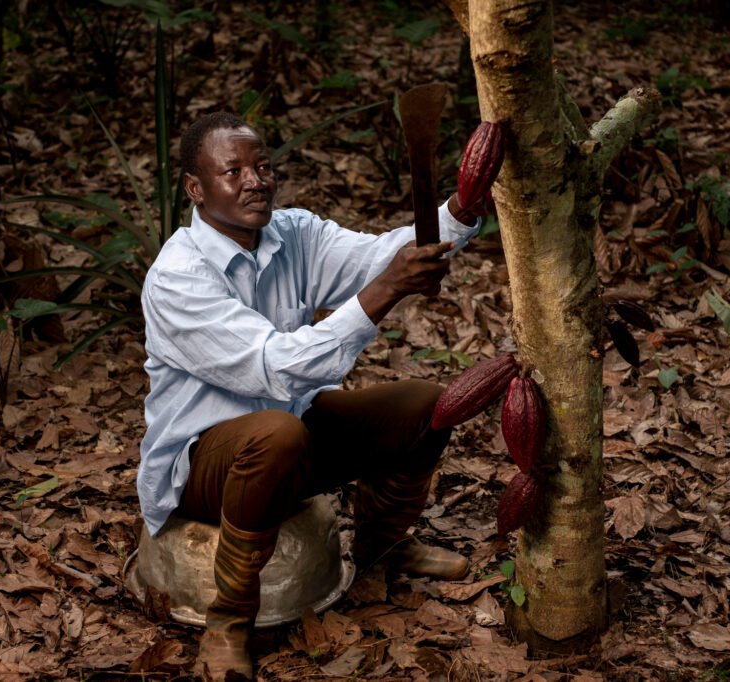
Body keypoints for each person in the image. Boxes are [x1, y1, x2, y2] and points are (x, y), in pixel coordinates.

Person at [138, 111, 484, 681]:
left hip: (289, 435)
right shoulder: (179, 275)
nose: (255, 180)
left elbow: (378, 257)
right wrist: (386, 290)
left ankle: (382, 548)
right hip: (203, 467)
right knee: (276, 434)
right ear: (196, 189)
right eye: (233, 171)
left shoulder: (292, 232)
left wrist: (460, 212)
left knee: (426, 406)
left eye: (263, 166)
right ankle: (228, 623)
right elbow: (275, 368)